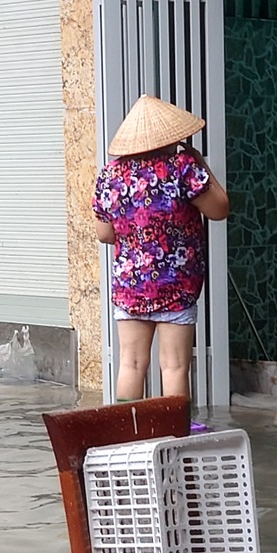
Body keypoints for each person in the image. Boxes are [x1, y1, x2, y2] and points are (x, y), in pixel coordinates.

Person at [94, 95, 229, 400]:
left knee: (130, 363)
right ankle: (173, 438)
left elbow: (104, 234)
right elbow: (220, 210)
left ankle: (127, 434)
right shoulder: (182, 167)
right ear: (172, 138)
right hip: (177, 285)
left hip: (130, 285)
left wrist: (138, 238)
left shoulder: (110, 175)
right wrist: (201, 164)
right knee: (174, 367)